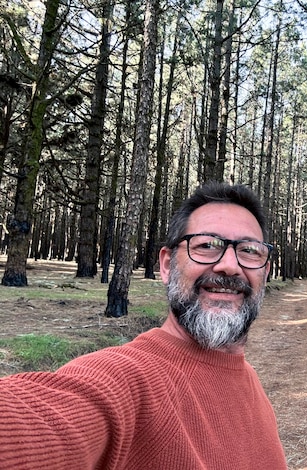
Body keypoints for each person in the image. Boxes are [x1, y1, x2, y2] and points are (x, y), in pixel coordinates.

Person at [0, 182, 288, 469]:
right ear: (166, 265)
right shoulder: (126, 378)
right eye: (206, 245)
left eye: (250, 251)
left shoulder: (249, 381)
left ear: (265, 272)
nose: (229, 265)